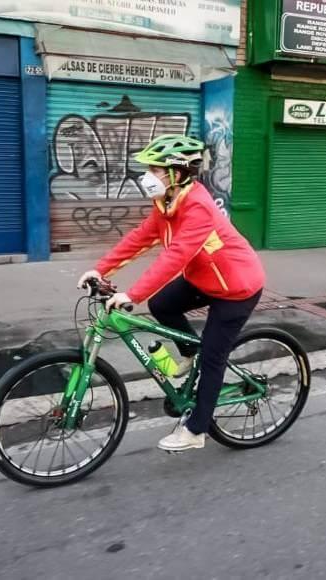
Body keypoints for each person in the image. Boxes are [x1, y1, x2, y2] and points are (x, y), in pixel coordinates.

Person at [77, 135, 266, 452]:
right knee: (162, 304)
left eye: (156, 168)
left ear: (177, 173)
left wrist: (131, 294)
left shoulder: (199, 207)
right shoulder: (166, 203)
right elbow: (140, 238)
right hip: (205, 279)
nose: (148, 175)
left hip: (236, 287)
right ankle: (189, 355)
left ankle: (195, 429)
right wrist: (101, 269)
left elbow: (175, 256)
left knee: (212, 358)